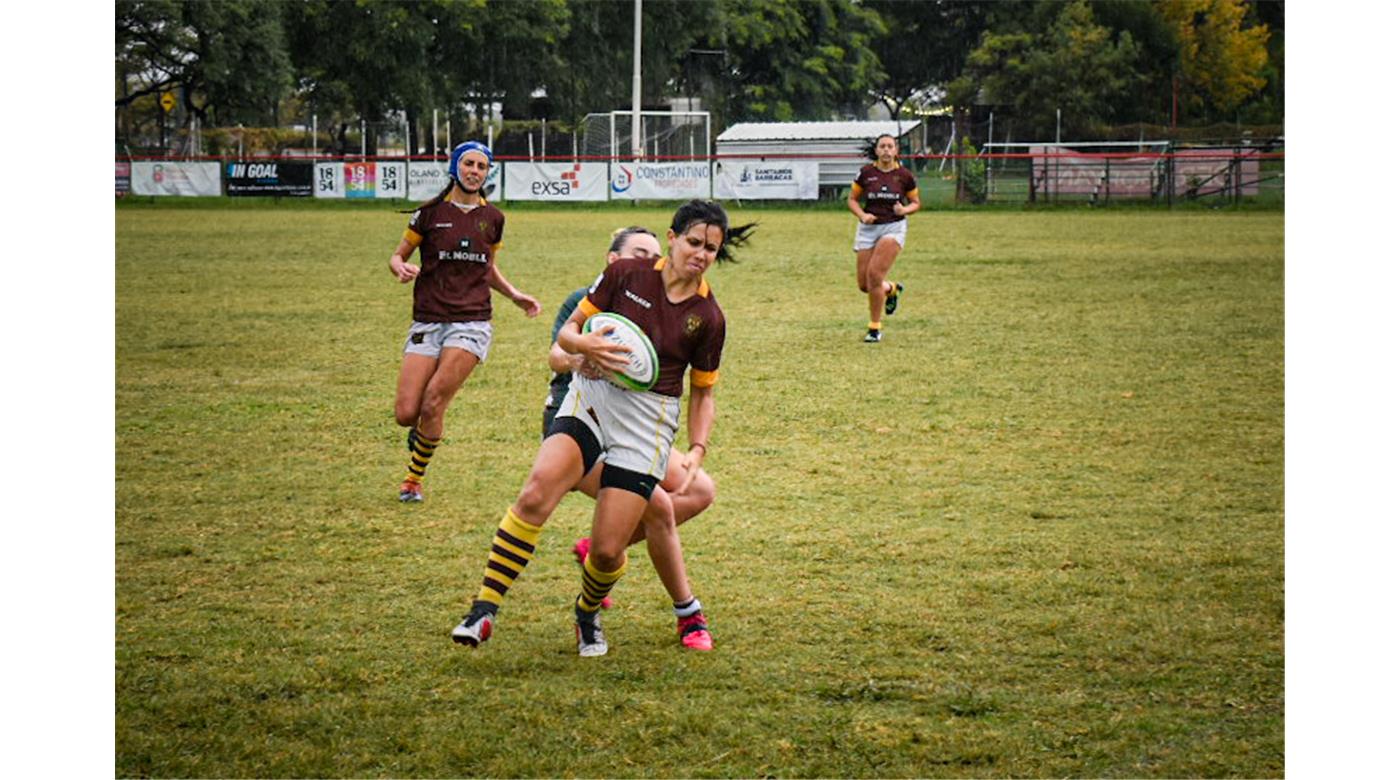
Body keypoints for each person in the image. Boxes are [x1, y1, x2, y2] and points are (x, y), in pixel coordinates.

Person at [452, 200, 753, 657]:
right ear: (671, 239)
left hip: (647, 423)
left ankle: (586, 613)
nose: (701, 253)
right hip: (591, 400)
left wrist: (697, 449)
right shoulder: (625, 276)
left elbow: (703, 394)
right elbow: (567, 335)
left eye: (711, 248)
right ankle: (483, 609)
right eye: (693, 242)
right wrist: (584, 345)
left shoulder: (708, 317)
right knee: (536, 492)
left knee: (609, 551)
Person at [544, 226, 719, 647]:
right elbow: (555, 354)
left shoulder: (675, 304)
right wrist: (581, 355)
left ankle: (599, 546)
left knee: (700, 490)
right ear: (614, 259)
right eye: (642, 252)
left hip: (633, 427)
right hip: (577, 421)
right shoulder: (590, 298)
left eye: (657, 253)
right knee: (657, 507)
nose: (654, 260)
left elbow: (696, 386)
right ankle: (688, 614)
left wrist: (697, 445)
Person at [387, 140, 541, 502]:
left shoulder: (494, 219)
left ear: (488, 172)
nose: (474, 171)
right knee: (406, 412)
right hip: (427, 319)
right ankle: (424, 432)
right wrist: (400, 267)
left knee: (433, 403)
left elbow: (487, 268)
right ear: (455, 167)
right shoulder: (428, 214)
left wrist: (515, 295)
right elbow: (397, 256)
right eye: (468, 164)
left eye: (482, 166)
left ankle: (412, 480)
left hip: (471, 321)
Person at [847, 133, 921, 343]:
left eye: (890, 146)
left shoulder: (905, 175)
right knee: (864, 285)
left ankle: (874, 328)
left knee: (874, 275)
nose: (887, 150)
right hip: (868, 229)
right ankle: (892, 289)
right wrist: (862, 215)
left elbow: (916, 203)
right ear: (877, 150)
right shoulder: (866, 173)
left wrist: (904, 209)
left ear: (896, 150)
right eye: (882, 146)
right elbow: (852, 199)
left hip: (893, 227)